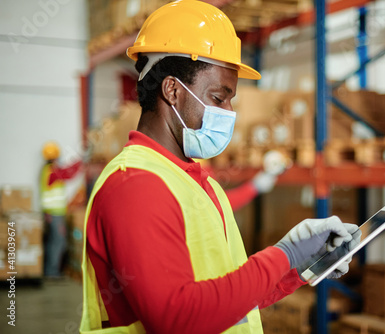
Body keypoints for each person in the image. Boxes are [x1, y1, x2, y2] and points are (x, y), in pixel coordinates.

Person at [79, 1, 361, 333]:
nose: (229, 111)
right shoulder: (135, 185)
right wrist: (283, 254)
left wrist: (300, 265)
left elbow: (227, 299)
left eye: (231, 100)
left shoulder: (198, 180)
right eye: (218, 98)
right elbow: (176, 319)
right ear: (172, 90)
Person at [40, 141, 82, 277]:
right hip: (54, 214)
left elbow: (65, 173)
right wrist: (79, 163)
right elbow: (67, 174)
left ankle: (51, 271)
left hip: (54, 214)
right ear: (54, 156)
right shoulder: (51, 171)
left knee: (55, 241)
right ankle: (52, 272)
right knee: (58, 242)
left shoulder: (48, 170)